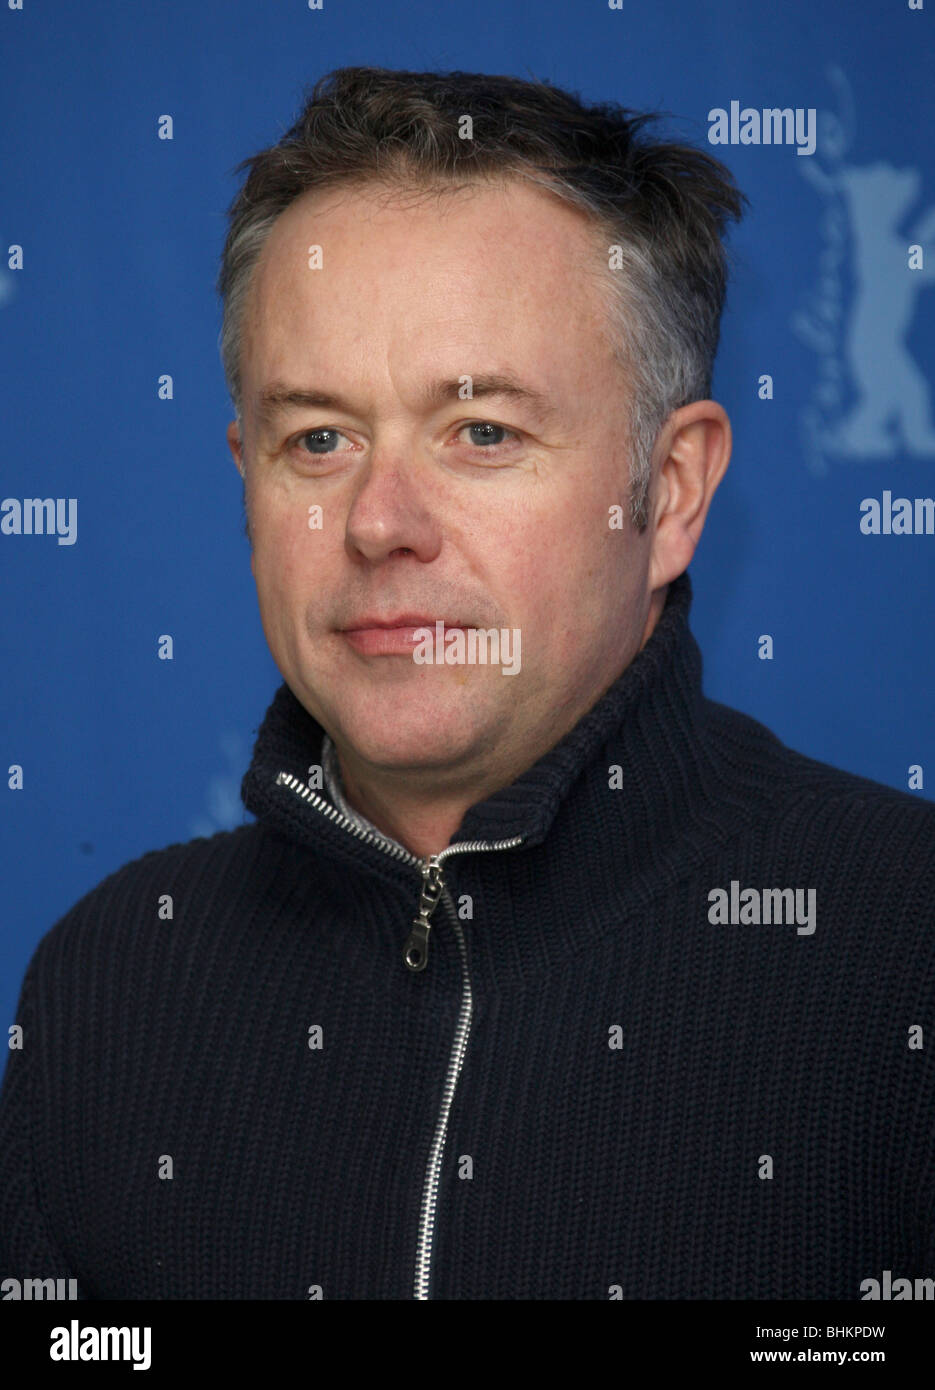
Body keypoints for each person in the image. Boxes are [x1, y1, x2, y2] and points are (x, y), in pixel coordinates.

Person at [2, 66, 933, 1302]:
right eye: (318, 439)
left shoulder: (902, 949)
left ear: (669, 494)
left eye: (481, 431)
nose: (380, 522)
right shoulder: (108, 982)